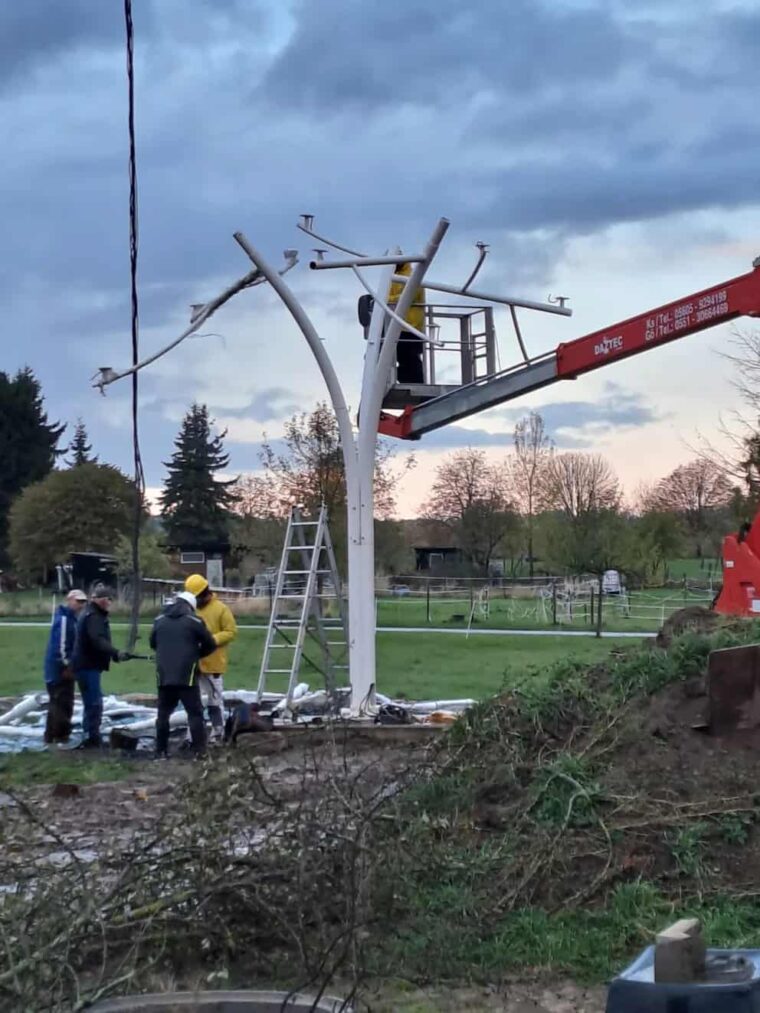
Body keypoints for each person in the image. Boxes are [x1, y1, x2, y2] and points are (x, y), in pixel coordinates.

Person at [149, 590, 217, 758]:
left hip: (164, 675)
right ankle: (199, 751)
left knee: (163, 714)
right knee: (194, 713)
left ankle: (161, 751)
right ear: (190, 607)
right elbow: (210, 644)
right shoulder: (194, 621)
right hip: (187, 675)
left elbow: (153, 643)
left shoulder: (159, 621)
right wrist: (196, 654)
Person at [72, 584, 129, 748]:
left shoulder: (91, 614)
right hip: (87, 666)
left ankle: (89, 734)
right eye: (108, 599)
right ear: (100, 600)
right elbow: (97, 641)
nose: (110, 602)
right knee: (94, 703)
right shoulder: (93, 617)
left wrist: (114, 655)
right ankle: (92, 738)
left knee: (91, 702)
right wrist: (115, 653)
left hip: (86, 665)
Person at [184, 574, 238, 744]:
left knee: (215, 702)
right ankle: (193, 736)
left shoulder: (221, 609)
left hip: (213, 664)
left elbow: (231, 632)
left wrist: (212, 640)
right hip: (193, 664)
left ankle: (217, 734)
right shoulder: (191, 610)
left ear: (204, 593)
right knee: (193, 704)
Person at [43, 589, 88, 744]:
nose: (81, 605)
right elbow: (60, 647)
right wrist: (68, 666)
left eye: (83, 602)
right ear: (69, 600)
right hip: (59, 671)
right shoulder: (63, 619)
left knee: (58, 705)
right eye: (78, 601)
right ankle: (61, 739)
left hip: (62, 669)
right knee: (62, 705)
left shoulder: (72, 619)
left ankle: (50, 738)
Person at [388, 261, 426, 384]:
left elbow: (406, 297)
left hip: (411, 327)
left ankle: (416, 384)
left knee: (409, 357)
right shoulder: (393, 278)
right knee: (402, 357)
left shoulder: (412, 276)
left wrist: (383, 299)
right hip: (397, 326)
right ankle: (401, 378)